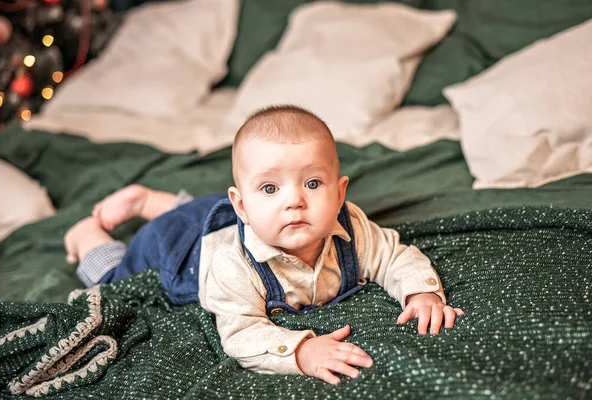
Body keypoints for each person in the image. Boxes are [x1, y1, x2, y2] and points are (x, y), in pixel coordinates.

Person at [64, 105, 464, 385]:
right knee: (116, 277)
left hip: (232, 217)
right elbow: (240, 333)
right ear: (242, 204)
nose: (294, 201)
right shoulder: (233, 265)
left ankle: (149, 200)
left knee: (212, 211)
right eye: (271, 187)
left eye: (312, 183)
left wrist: (420, 291)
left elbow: (393, 256)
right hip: (180, 251)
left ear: (340, 193)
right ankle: (89, 233)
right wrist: (300, 351)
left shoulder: (351, 226)